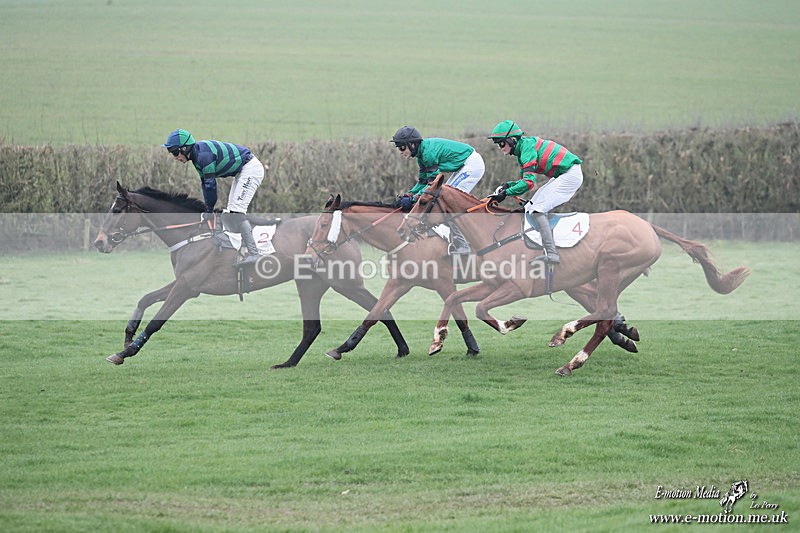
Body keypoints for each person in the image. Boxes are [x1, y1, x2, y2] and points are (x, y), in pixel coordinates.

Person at [163, 129, 266, 265]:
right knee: (232, 212)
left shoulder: (203, 157)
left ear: (185, 148)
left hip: (250, 169)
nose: (174, 157)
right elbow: (205, 184)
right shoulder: (197, 157)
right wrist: (208, 209)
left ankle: (254, 253)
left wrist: (209, 210)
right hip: (243, 171)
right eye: (171, 153)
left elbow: (211, 185)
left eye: (175, 152)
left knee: (237, 212)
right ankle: (242, 247)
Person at [486, 120, 583, 264]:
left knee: (536, 209)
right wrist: (507, 186)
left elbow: (528, 184)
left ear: (511, 140)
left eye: (501, 143)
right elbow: (523, 181)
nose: (500, 148)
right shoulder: (523, 148)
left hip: (570, 176)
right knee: (530, 207)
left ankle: (552, 253)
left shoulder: (526, 149)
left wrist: (506, 193)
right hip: (564, 175)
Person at [390, 126, 485, 254]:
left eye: (402, 147)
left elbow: (432, 186)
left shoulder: (428, 153)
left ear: (412, 144)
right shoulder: (421, 156)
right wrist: (409, 195)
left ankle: (463, 244)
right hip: (464, 166)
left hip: (471, 165)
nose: (401, 152)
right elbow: (423, 182)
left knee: (448, 201)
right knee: (443, 199)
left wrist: (413, 199)